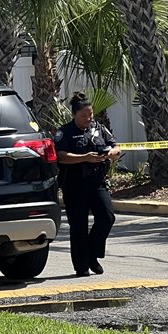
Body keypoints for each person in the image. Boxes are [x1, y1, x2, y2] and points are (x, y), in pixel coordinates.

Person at [55, 91, 122, 277]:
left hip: (97, 182)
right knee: (79, 226)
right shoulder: (65, 132)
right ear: (74, 114)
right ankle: (81, 265)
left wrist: (111, 153)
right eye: (84, 115)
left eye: (90, 114)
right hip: (75, 185)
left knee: (107, 217)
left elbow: (117, 146)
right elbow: (61, 156)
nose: (88, 118)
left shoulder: (98, 128)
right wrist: (85, 158)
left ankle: (93, 254)